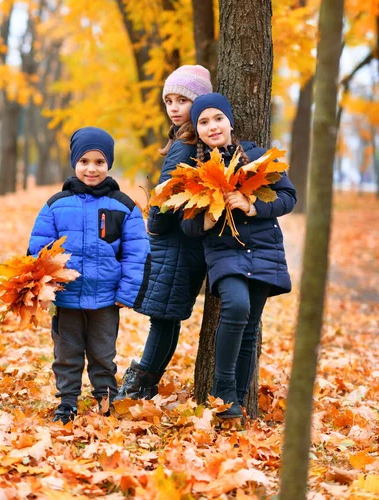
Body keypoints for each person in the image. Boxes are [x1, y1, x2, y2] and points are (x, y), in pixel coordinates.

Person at [180, 93, 297, 419]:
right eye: (203, 122)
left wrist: (252, 206)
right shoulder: (194, 171)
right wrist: (208, 217)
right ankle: (223, 389)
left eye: (218, 118)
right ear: (197, 130)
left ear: (230, 121)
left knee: (250, 326)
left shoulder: (259, 158)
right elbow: (186, 227)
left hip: (264, 250)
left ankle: (237, 407)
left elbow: (289, 197)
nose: (212, 126)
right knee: (237, 305)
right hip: (224, 254)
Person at [28, 127, 150, 424]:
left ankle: (106, 398)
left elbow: (137, 253)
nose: (91, 168)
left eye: (99, 161)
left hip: (106, 299)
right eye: (84, 161)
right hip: (66, 298)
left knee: (103, 353)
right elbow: (38, 249)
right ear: (74, 163)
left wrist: (126, 293)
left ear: (108, 164)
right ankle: (67, 402)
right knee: (67, 354)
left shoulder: (124, 206)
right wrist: (44, 288)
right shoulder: (56, 205)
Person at [116, 65, 212, 400]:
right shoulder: (196, 142)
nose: (173, 107)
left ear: (198, 104)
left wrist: (153, 227)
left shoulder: (184, 146)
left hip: (173, 243)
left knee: (162, 318)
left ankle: (138, 387)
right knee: (168, 318)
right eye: (168, 99)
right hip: (189, 244)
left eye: (182, 100)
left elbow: (165, 196)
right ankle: (145, 383)